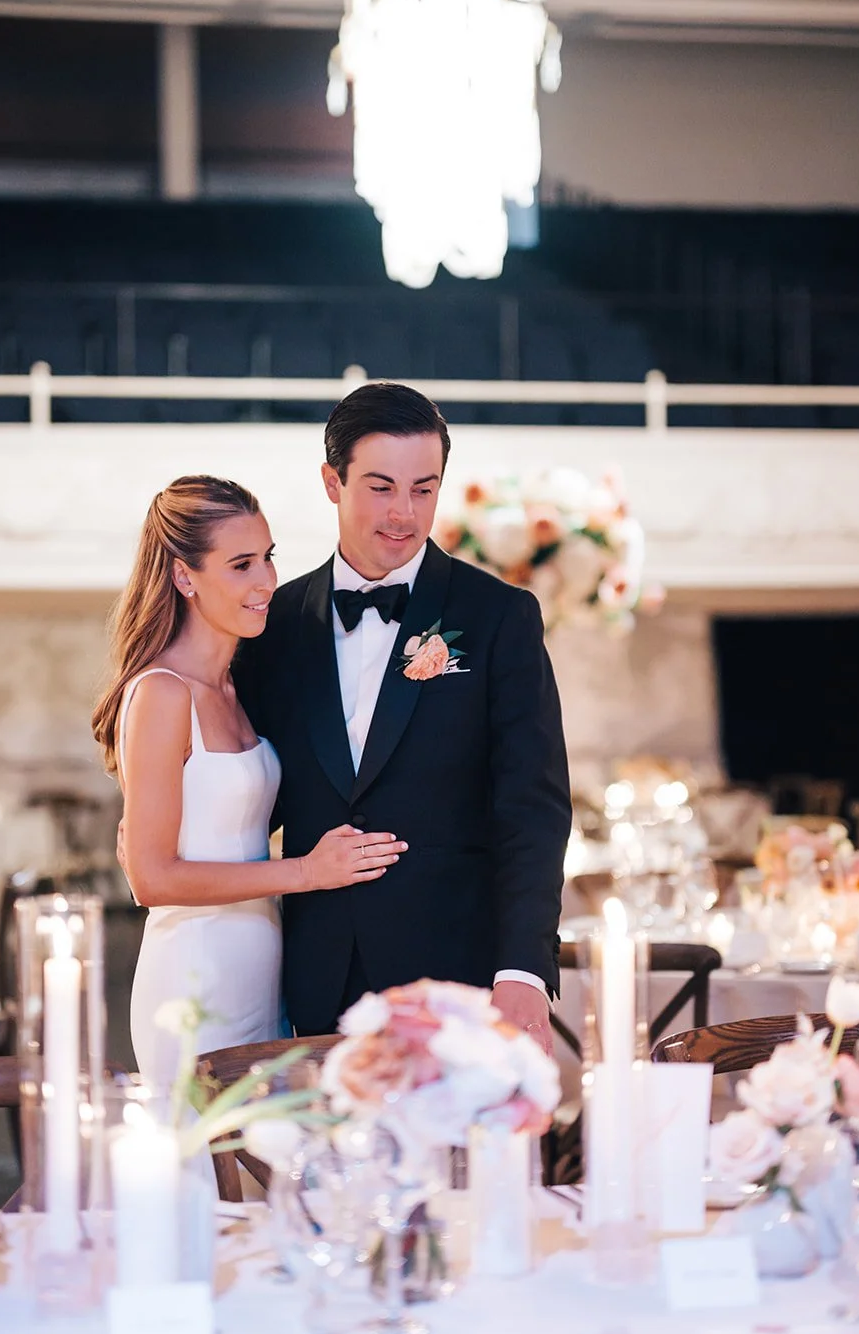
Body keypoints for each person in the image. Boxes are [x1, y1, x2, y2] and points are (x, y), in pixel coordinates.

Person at [234, 383, 572, 1049]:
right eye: (380, 487)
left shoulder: (498, 616)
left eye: (424, 489)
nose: (403, 513)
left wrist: (522, 969)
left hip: (459, 981)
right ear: (332, 482)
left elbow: (532, 808)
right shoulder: (272, 626)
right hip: (315, 977)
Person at [92, 475, 406, 1082]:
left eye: (268, 558)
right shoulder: (161, 693)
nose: (266, 581)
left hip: (262, 970)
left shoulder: (237, 688)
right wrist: (308, 873)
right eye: (240, 565)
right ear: (185, 577)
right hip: (194, 979)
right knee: (202, 1174)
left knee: (266, 1170)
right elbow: (152, 878)